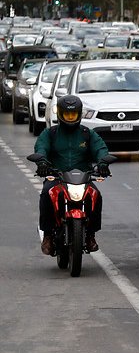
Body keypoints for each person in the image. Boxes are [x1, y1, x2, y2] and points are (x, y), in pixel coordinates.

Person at [34, 95, 110, 255]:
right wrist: (41, 162)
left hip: (83, 177)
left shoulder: (87, 134)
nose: (70, 118)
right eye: (67, 114)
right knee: (45, 194)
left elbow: (101, 149)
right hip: (56, 178)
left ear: (79, 114)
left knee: (97, 195)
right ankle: (47, 235)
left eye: (73, 114)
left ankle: (90, 235)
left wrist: (103, 163)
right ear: (60, 114)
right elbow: (41, 147)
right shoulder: (51, 133)